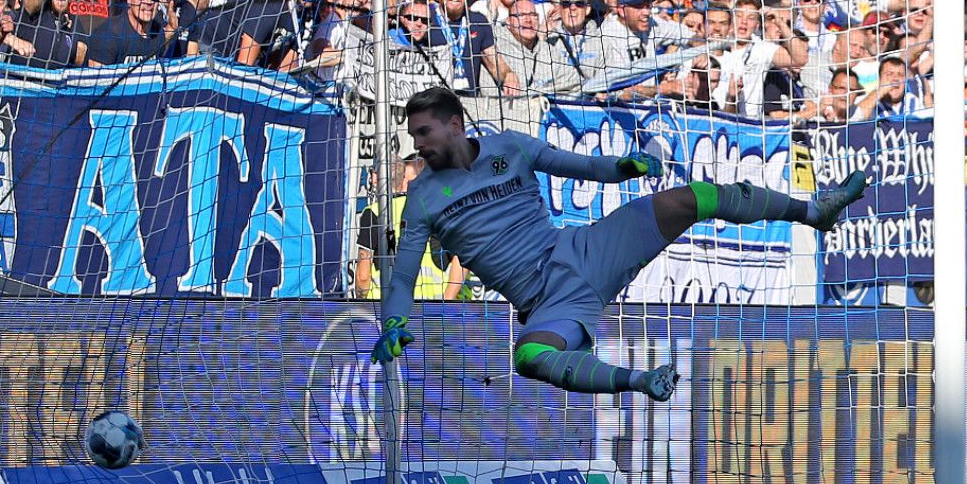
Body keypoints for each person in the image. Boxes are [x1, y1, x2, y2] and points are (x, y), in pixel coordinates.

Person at [370, 86, 869, 400]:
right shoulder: (423, 197)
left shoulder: (510, 147)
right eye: (414, 136)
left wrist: (622, 168)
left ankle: (814, 211)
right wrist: (394, 319)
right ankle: (639, 381)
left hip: (583, 250)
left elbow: (583, 166)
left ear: (455, 123)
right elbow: (405, 273)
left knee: (684, 199)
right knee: (528, 357)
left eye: (425, 132)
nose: (418, 144)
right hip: (546, 300)